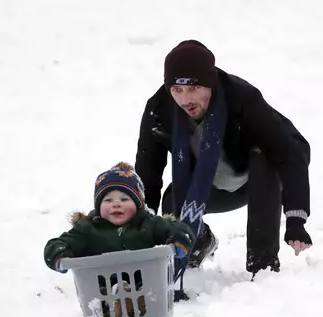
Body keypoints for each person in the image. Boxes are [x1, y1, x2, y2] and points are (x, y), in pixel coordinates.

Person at [134, 40, 313, 279]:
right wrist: (138, 228)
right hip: (211, 183)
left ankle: (263, 264)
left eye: (193, 88)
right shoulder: (159, 110)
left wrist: (295, 219)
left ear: (210, 83)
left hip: (262, 176)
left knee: (264, 158)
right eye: (177, 90)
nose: (185, 99)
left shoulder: (242, 98)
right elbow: (148, 172)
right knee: (173, 199)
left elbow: (288, 155)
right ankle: (198, 243)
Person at [43, 161, 196, 302]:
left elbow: (178, 228)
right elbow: (58, 244)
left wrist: (179, 239)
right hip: (102, 297)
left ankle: (131, 301)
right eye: (107, 200)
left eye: (124, 200)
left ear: (138, 205)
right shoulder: (87, 229)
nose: (116, 204)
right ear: (98, 207)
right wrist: (59, 255)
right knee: (107, 298)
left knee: (144, 294)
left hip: (147, 293)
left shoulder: (149, 224)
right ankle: (118, 303)